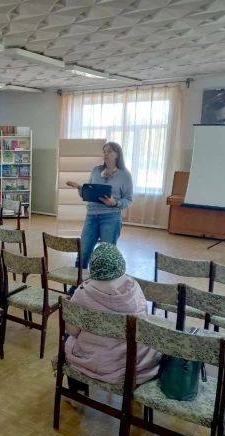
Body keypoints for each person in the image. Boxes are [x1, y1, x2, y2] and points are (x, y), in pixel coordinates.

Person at [58, 244, 161, 402]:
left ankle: (76, 392)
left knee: (69, 339)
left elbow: (73, 331)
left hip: (98, 360)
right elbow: (144, 320)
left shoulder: (82, 292)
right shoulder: (134, 286)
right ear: (120, 263)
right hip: (134, 360)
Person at [66, 142, 133, 271]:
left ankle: (102, 286)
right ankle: (78, 284)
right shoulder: (96, 170)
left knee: (106, 255)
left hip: (111, 217)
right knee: (83, 252)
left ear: (117, 154)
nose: (105, 154)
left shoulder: (125, 174)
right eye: (104, 151)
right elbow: (90, 193)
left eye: (109, 151)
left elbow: (128, 199)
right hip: (91, 216)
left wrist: (115, 203)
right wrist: (81, 188)